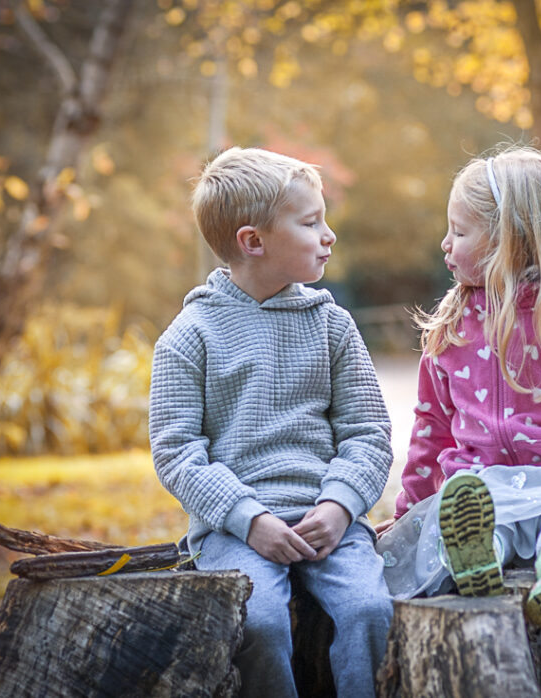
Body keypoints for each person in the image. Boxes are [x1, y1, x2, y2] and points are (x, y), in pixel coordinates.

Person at [149, 147, 394, 698]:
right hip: (236, 531)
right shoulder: (188, 337)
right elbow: (176, 452)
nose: (328, 234)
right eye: (311, 223)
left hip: (328, 521)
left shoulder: (333, 326)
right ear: (252, 241)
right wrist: (249, 519)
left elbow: (369, 433)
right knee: (257, 623)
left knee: (370, 610)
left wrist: (339, 506)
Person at [375, 145, 541, 630]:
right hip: (481, 487)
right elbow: (431, 429)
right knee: (478, 520)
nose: (445, 243)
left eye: (459, 232)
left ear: (511, 240)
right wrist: (409, 507)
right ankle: (480, 558)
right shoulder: (453, 327)